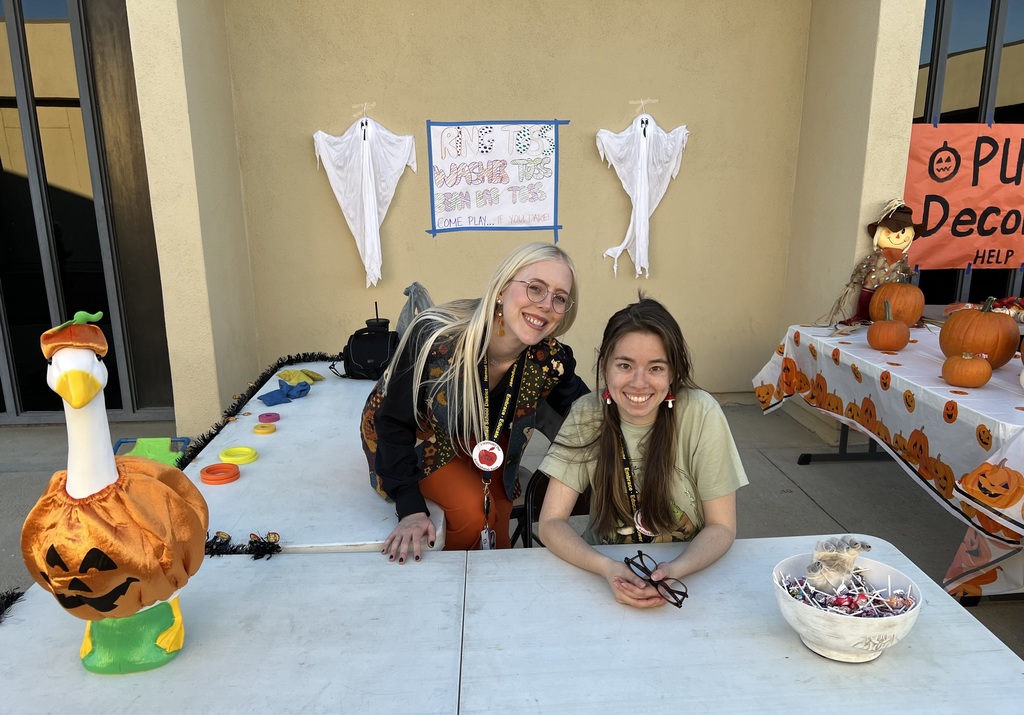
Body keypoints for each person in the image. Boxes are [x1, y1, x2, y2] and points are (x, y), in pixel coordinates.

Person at [361, 242, 589, 563]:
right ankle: (447, 595)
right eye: (535, 288)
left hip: (484, 438)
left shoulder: (549, 357)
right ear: (501, 288)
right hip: (422, 437)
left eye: (560, 297)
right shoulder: (436, 337)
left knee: (498, 516)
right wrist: (410, 508)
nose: (546, 304)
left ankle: (491, 600)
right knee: (471, 514)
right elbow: (393, 422)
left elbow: (586, 413)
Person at [537, 297, 747, 608]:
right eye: (624, 365)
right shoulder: (587, 414)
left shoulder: (702, 413)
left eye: (656, 368)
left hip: (692, 576)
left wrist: (674, 571)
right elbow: (551, 522)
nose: (639, 383)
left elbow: (722, 526)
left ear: (674, 372)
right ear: (604, 365)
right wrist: (608, 569)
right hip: (604, 577)